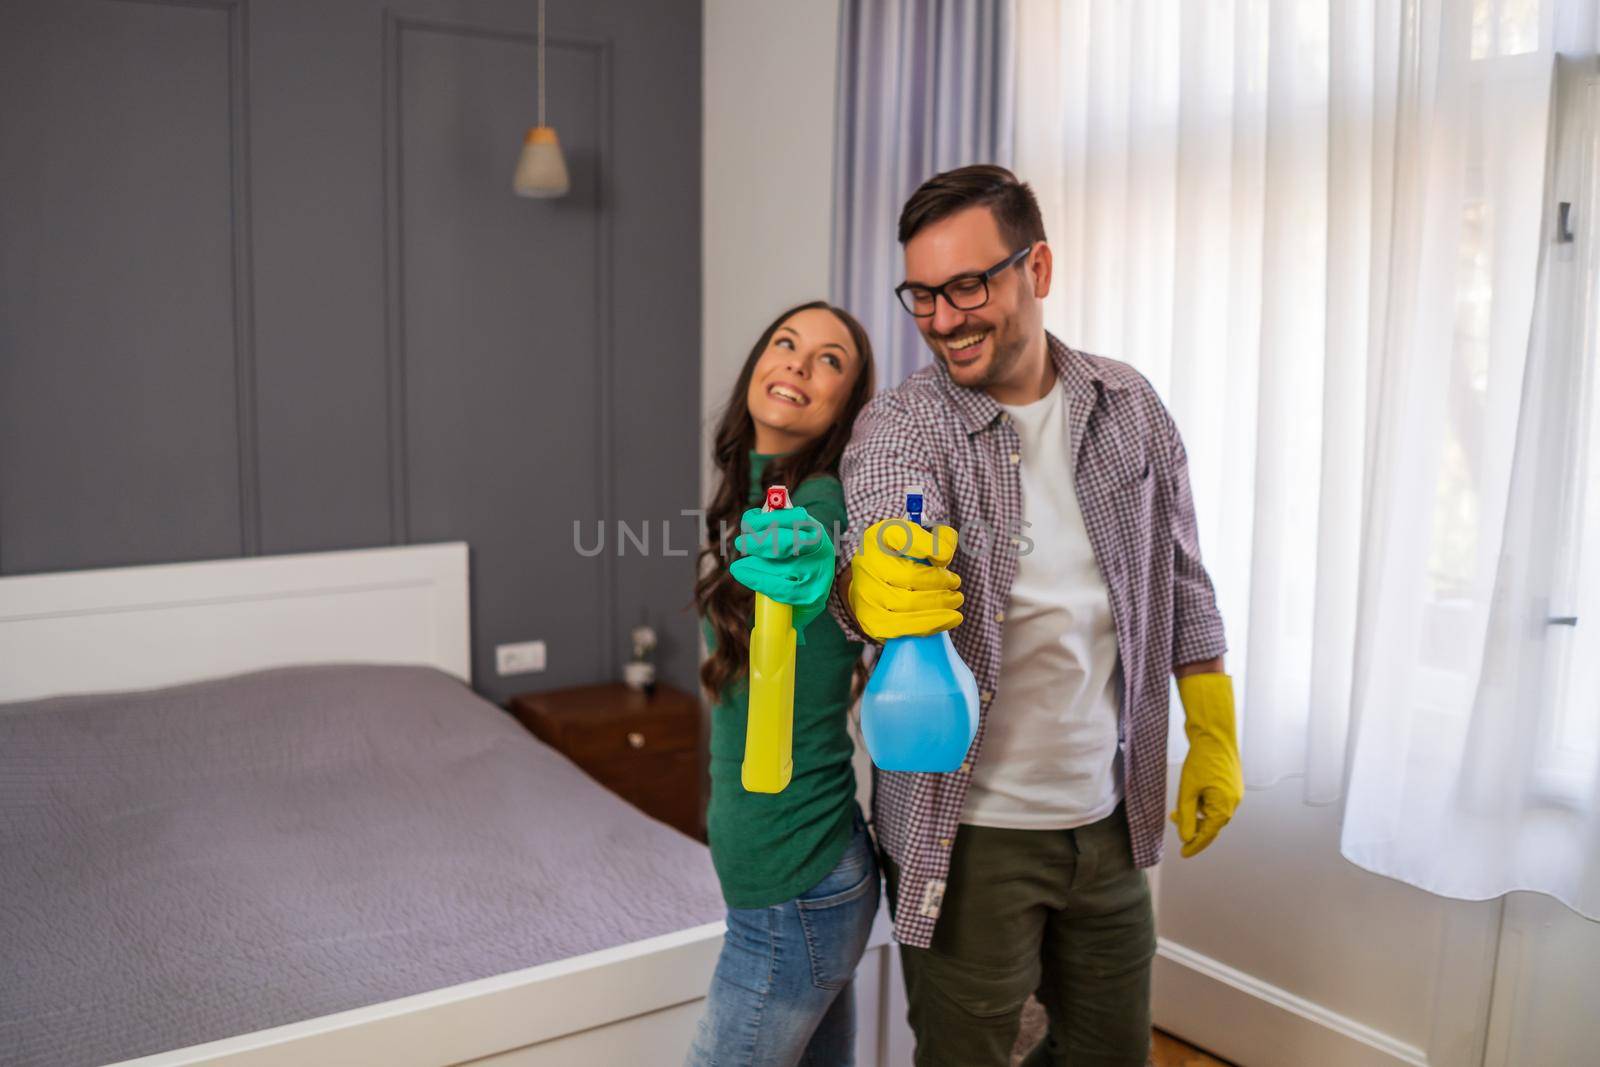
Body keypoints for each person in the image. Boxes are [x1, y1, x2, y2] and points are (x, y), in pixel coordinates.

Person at [831, 165, 1243, 1066]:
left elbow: (1182, 582)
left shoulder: (1128, 408)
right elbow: (874, 527)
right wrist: (872, 578)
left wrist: (1211, 727)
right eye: (922, 296)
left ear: (1038, 268)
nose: (943, 319)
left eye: (967, 286)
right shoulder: (907, 424)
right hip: (967, 831)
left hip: (1109, 817)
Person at [687, 300, 881, 1066]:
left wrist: (810, 560)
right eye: (787, 343)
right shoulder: (757, 495)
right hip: (808, 878)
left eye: (830, 360)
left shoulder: (819, 507)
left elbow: (814, 556)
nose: (799, 363)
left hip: (794, 883)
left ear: (843, 407)